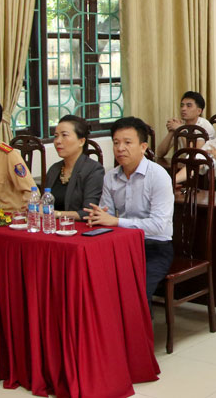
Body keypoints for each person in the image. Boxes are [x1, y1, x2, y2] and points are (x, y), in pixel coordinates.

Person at [87, 117, 174, 306]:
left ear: (143, 147)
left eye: (127, 143)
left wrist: (116, 222)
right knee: (92, 280)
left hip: (154, 247)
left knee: (135, 290)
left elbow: (158, 225)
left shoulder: (158, 176)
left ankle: (141, 326)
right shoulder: (110, 177)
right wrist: (98, 217)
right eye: (116, 143)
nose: (120, 148)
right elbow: (106, 216)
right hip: (122, 245)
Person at [45, 115, 105, 221]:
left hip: (79, 228)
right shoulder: (54, 169)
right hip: (53, 226)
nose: (58, 141)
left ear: (81, 141)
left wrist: (56, 214)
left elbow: (88, 212)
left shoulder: (94, 170)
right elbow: (45, 201)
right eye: (56, 136)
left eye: (64, 135)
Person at [156, 91, 215, 159]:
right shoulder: (181, 124)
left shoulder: (204, 125)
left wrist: (182, 130)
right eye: (182, 105)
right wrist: (172, 131)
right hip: (183, 162)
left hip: (202, 164)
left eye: (189, 106)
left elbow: (195, 155)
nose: (183, 109)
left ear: (199, 111)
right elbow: (159, 153)